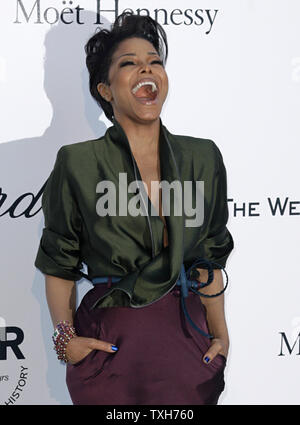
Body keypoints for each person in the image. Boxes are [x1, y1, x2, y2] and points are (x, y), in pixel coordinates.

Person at [35, 12, 234, 405]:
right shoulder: (78, 163)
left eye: (154, 61)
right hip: (109, 356)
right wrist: (66, 341)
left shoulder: (202, 157)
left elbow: (210, 260)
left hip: (187, 353)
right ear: (105, 90)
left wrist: (221, 334)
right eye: (128, 62)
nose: (146, 67)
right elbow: (59, 264)